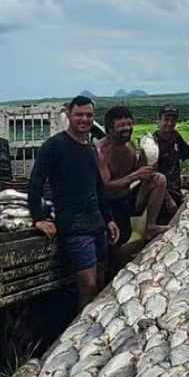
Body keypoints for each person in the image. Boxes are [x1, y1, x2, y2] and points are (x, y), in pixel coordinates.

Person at [27, 96, 119, 311]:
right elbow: (36, 182)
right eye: (79, 114)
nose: (84, 119)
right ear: (69, 116)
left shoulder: (90, 150)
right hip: (75, 227)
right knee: (87, 285)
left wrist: (109, 220)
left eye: (89, 115)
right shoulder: (54, 145)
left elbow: (97, 188)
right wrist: (38, 218)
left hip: (96, 224)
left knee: (100, 279)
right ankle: (80, 334)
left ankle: (93, 326)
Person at [96, 105, 169, 254]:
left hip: (127, 197)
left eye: (129, 124)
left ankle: (151, 226)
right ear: (110, 128)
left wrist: (146, 156)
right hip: (109, 205)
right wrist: (136, 175)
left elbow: (136, 170)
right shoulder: (101, 152)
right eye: (121, 125)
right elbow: (106, 187)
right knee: (116, 241)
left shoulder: (130, 145)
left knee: (159, 179)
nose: (127, 128)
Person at [151, 104, 189, 223]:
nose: (170, 123)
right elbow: (153, 175)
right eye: (166, 119)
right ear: (159, 120)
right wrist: (167, 199)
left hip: (176, 191)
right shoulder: (153, 142)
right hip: (161, 197)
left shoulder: (175, 136)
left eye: (173, 120)